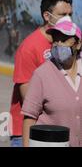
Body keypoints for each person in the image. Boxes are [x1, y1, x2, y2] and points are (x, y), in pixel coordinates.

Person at [9, 0, 72, 147]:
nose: (68, 19)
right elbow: (29, 99)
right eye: (62, 14)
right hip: (31, 132)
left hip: (61, 128)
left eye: (70, 14)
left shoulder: (73, 43)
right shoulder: (29, 48)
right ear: (47, 16)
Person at [22, 16, 82, 147]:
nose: (59, 44)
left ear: (78, 44)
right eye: (56, 40)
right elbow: (29, 118)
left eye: (64, 40)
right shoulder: (42, 74)